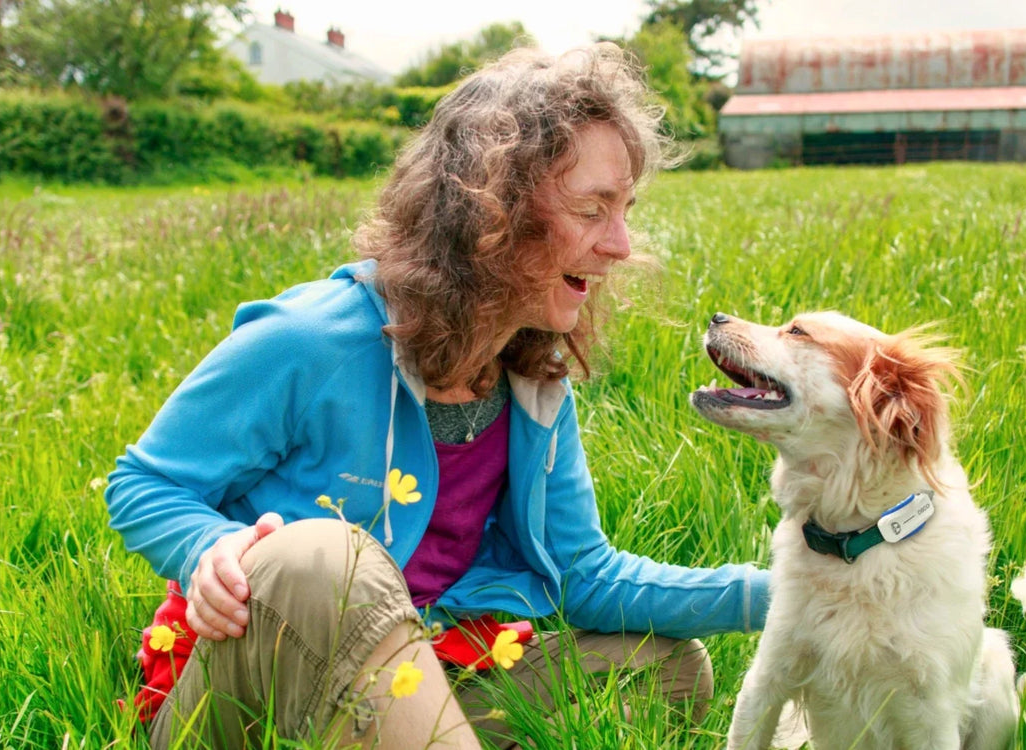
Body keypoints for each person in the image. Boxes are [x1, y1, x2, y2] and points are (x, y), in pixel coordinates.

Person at [104, 43, 770, 749]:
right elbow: (144, 482)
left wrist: (795, 588)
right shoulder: (315, 338)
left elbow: (586, 577)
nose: (620, 244)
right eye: (592, 209)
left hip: (415, 676)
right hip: (257, 697)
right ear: (491, 213)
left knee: (663, 666)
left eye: (625, 210)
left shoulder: (533, 385)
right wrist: (213, 548)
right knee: (325, 556)